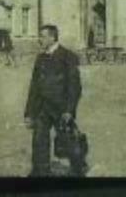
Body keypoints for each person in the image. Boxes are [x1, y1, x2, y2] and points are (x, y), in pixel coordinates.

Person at [24, 23, 85, 177]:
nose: (40, 40)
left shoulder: (67, 56)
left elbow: (74, 86)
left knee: (69, 141)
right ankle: (40, 172)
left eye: (43, 36)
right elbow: (34, 87)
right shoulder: (40, 58)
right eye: (40, 36)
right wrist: (29, 113)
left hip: (61, 109)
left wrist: (69, 110)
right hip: (42, 108)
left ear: (52, 37)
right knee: (39, 140)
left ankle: (77, 170)